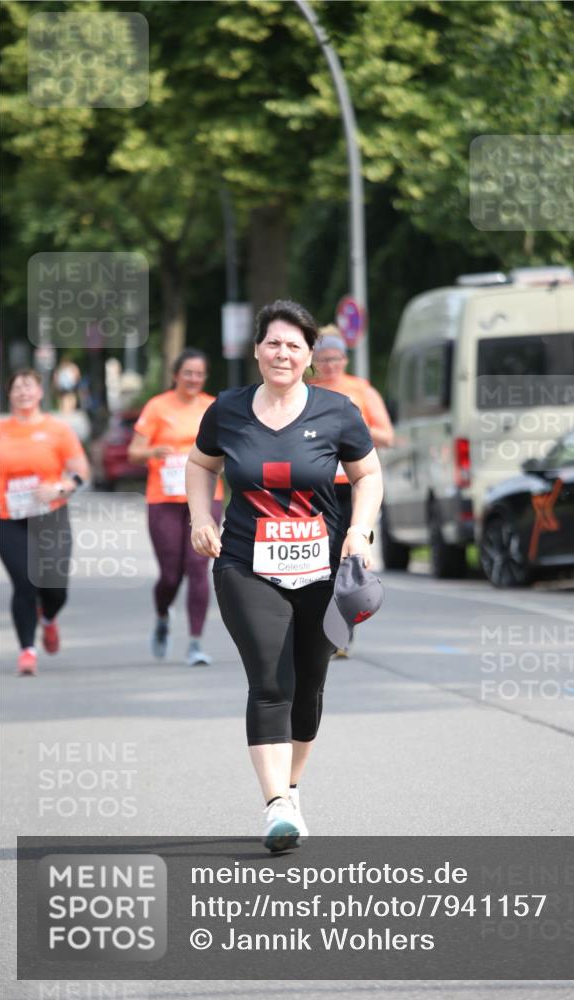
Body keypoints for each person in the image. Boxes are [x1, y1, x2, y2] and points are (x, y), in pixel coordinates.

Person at [186, 300, 383, 852]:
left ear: (309, 355)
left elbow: (367, 475)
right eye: (273, 342)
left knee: (308, 685)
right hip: (245, 563)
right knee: (271, 680)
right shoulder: (227, 410)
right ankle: (275, 804)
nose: (282, 353)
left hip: (322, 569)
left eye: (294, 345)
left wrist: (360, 530)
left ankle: (290, 789)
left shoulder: (337, 412)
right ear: (256, 350)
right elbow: (200, 464)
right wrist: (201, 517)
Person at [128, 348, 223, 667]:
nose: (194, 379)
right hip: (165, 499)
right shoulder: (158, 406)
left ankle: (195, 643)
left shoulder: (213, 407)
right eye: (188, 373)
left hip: (207, 498)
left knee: (198, 567)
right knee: (170, 575)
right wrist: (153, 451)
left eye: (199, 374)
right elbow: (134, 452)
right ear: (175, 375)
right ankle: (162, 616)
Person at [0, 369, 90, 675]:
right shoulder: (0, 430)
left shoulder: (58, 430)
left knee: (55, 588)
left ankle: (48, 619)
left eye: (29, 387)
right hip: (8, 517)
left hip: (50, 515)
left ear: (40, 393)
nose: (23, 392)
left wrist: (59, 488)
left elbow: (80, 472)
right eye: (17, 387)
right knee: (24, 582)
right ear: (9, 394)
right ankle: (27, 650)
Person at [309, 326, 394, 654]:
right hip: (319, 487)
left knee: (348, 558)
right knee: (321, 560)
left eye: (336, 359)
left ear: (345, 359)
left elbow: (386, 435)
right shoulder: (308, 392)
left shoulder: (361, 390)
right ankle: (321, 629)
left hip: (355, 488)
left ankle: (342, 633)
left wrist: (351, 426)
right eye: (324, 359)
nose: (330, 365)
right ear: (314, 361)